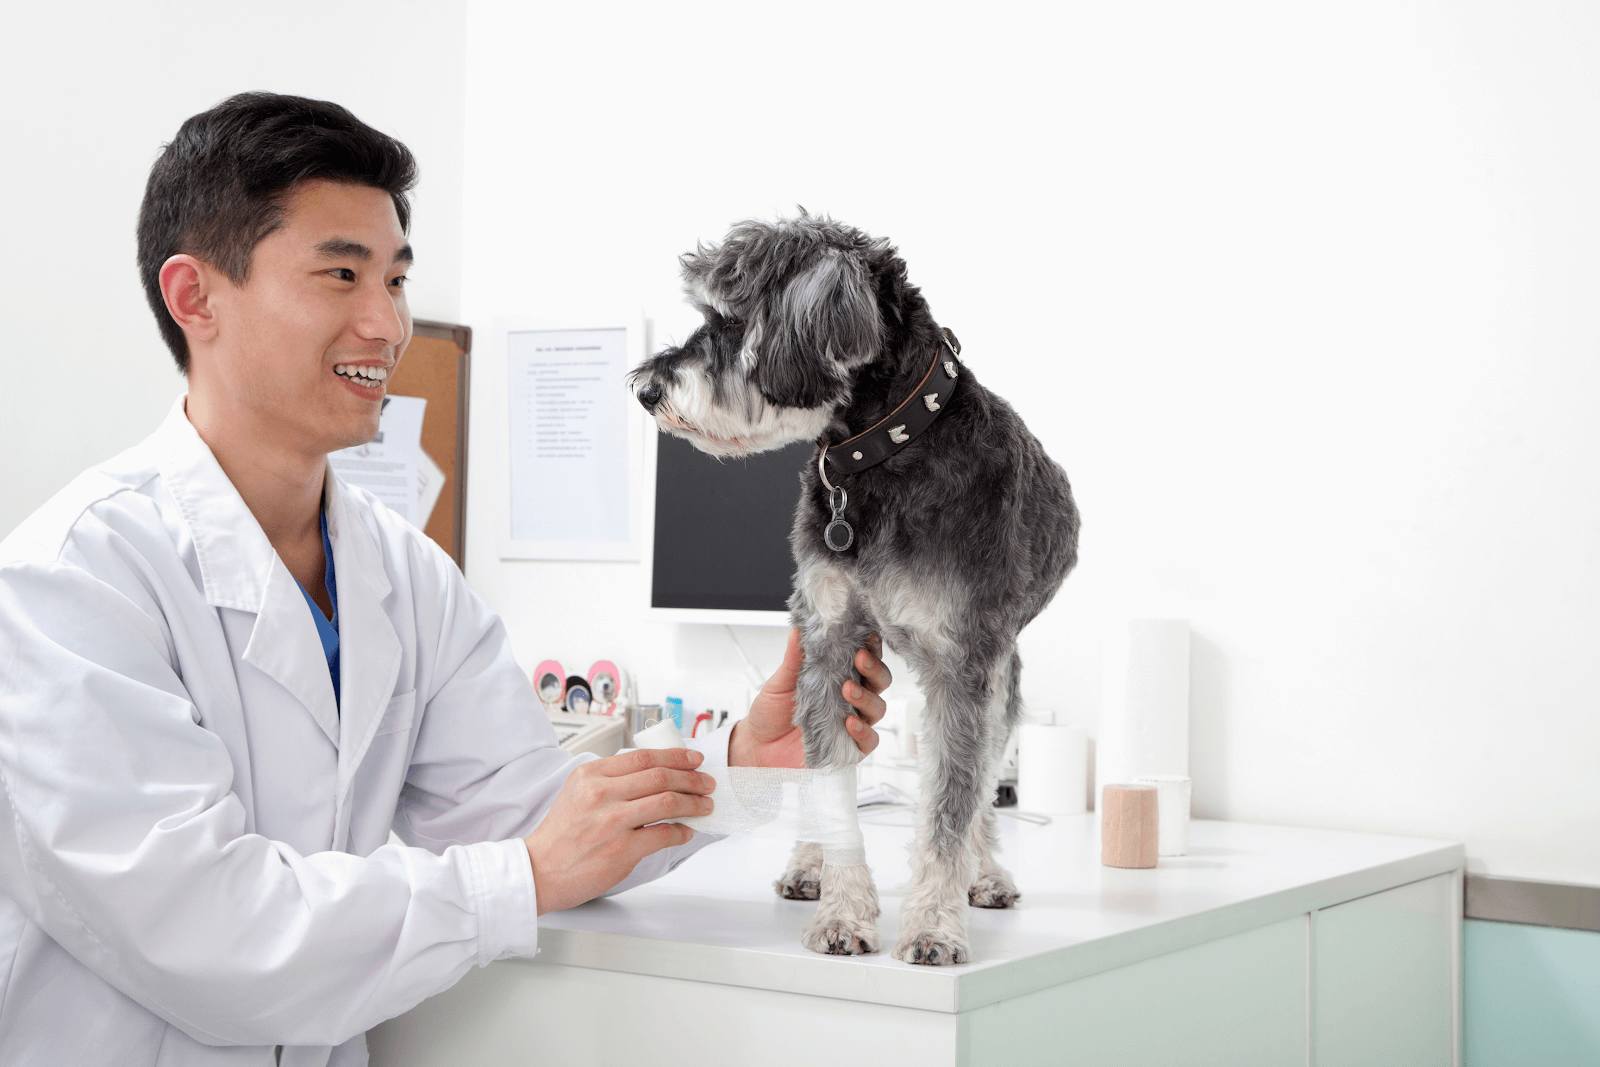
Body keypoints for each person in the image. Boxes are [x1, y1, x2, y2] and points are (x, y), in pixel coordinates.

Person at [0, 92, 892, 1066]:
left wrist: (742, 768)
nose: (386, 322)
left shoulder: (404, 574)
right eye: (340, 274)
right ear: (195, 296)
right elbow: (207, 932)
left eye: (395, 277)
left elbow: (530, 811)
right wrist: (516, 880)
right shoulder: (72, 582)